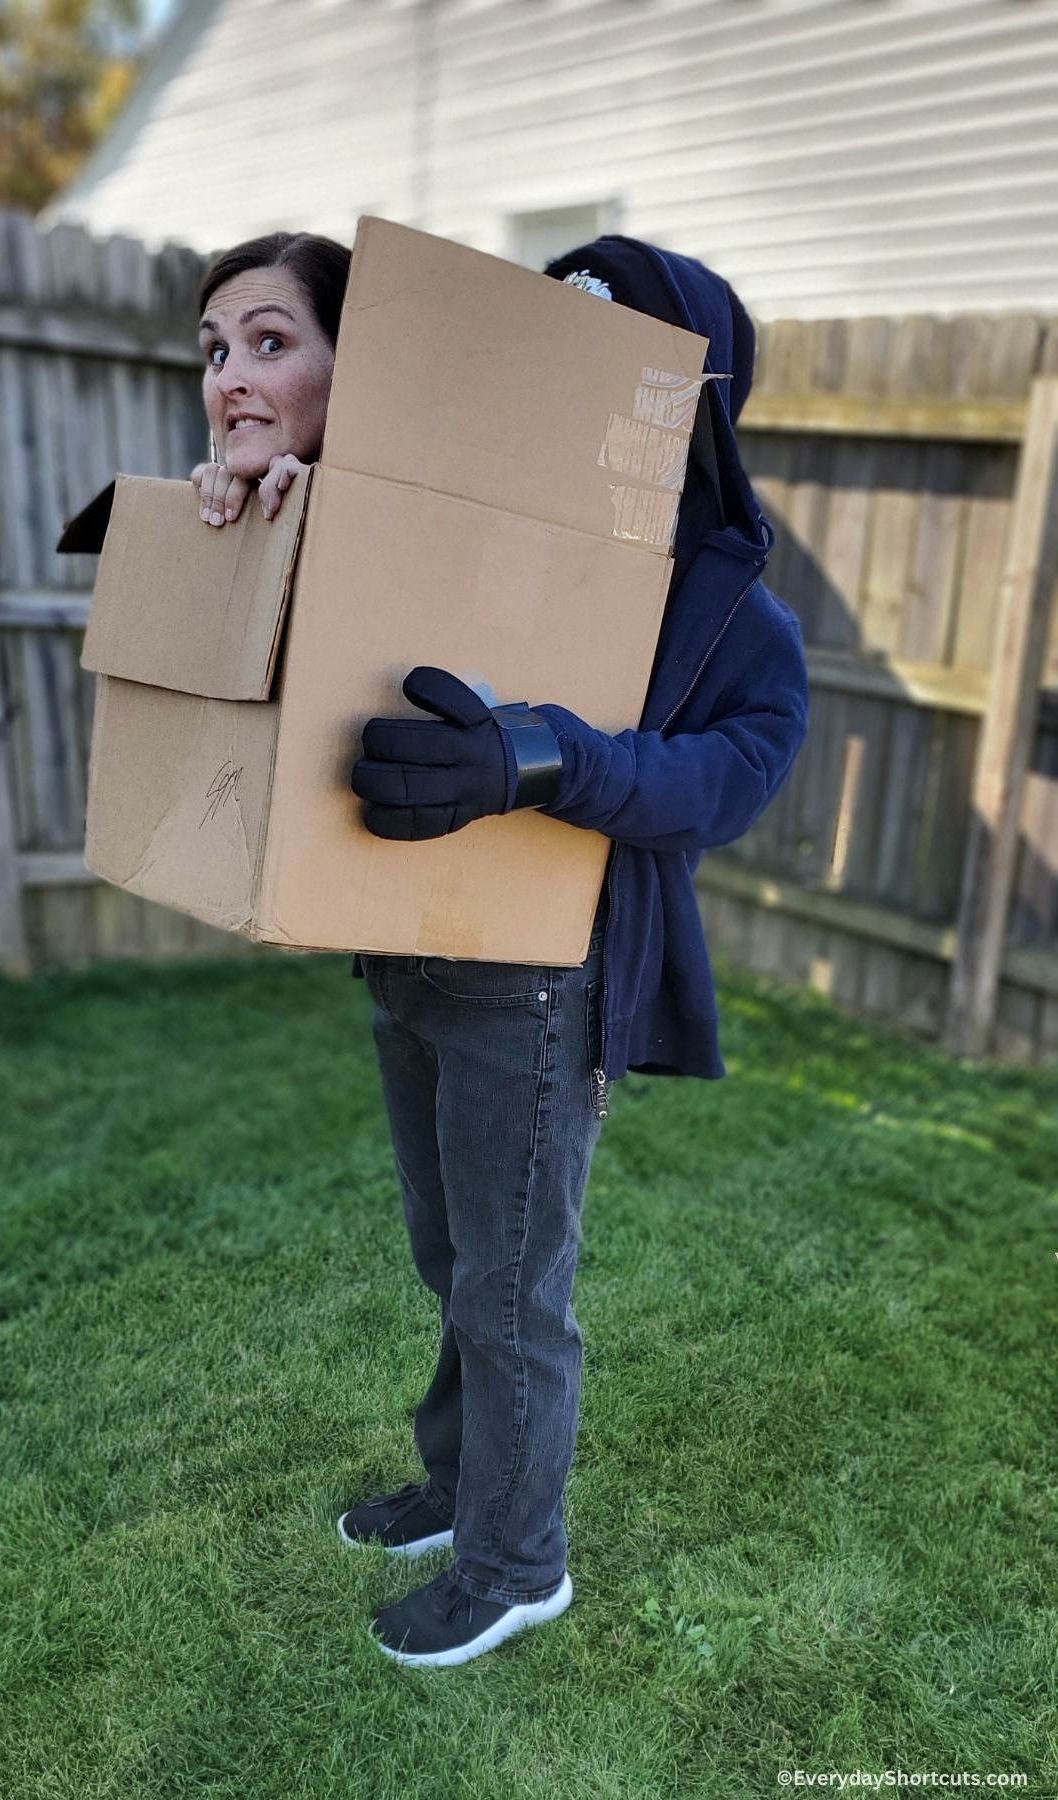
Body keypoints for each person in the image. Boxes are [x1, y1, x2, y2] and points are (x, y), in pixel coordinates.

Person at [193, 229, 810, 1671]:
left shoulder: (731, 603)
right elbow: (329, 598)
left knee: (515, 1286)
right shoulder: (463, 522)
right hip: (409, 947)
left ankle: (518, 1562)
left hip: (540, 982)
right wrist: (269, 500)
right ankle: (464, 1485)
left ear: (684, 389)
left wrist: (544, 757)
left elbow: (732, 773)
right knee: (448, 1253)